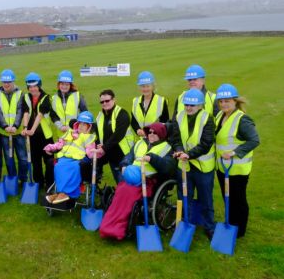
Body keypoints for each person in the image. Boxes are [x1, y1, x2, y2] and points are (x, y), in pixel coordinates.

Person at [100, 122, 176, 240]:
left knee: (129, 194)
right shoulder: (140, 143)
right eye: (149, 132)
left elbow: (168, 168)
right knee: (121, 191)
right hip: (132, 177)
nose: (151, 134)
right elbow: (128, 157)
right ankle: (108, 227)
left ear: (161, 134)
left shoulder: (167, 148)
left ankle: (118, 229)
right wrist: (124, 165)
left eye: (154, 132)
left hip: (149, 180)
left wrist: (152, 158)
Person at [215, 84, 259, 238]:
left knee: (238, 200)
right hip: (223, 168)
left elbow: (254, 140)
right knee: (228, 198)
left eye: (227, 101)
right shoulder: (221, 116)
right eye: (221, 101)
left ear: (235, 101)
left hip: (238, 169)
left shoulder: (242, 119)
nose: (223, 104)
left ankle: (239, 231)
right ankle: (230, 223)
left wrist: (234, 152)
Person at [172, 88, 216, 239]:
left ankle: (209, 227)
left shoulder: (207, 118)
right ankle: (187, 224)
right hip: (184, 166)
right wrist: (178, 150)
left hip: (203, 167)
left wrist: (188, 154)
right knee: (185, 197)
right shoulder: (179, 116)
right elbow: (175, 138)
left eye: (192, 105)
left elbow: (206, 143)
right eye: (186, 105)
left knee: (206, 199)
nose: (189, 108)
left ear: (200, 105)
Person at [43, 111, 100, 204]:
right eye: (80, 124)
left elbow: (90, 152)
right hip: (64, 157)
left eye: (84, 125)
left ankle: (65, 193)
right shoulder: (69, 133)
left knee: (74, 168)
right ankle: (60, 193)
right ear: (76, 124)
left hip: (77, 160)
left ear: (89, 127)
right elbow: (59, 144)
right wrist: (50, 147)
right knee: (58, 166)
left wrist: (97, 153)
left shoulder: (89, 137)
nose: (81, 126)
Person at [21, 72, 58, 189]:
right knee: (35, 162)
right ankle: (39, 184)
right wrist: (25, 128)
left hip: (45, 136)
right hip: (32, 137)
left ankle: (50, 183)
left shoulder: (47, 98)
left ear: (39, 85)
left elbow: (40, 115)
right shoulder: (26, 97)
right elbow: (26, 113)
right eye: (30, 86)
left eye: (35, 86)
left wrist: (32, 129)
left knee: (49, 161)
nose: (32, 89)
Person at [0, 69, 28, 182]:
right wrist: (5, 126)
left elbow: (20, 111)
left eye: (9, 82)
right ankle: (13, 180)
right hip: (4, 133)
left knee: (23, 158)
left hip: (18, 133)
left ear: (13, 81)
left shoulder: (20, 93)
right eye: (4, 82)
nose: (6, 84)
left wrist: (15, 126)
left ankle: (23, 179)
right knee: (9, 159)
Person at [95, 89, 134, 184]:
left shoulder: (122, 114)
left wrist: (104, 148)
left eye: (107, 101)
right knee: (119, 182)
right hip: (111, 154)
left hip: (124, 154)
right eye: (102, 102)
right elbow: (97, 133)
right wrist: (99, 144)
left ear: (114, 100)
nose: (104, 103)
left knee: (126, 182)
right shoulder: (100, 116)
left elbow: (118, 135)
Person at [51, 70, 88, 140]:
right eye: (62, 84)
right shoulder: (54, 98)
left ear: (70, 85)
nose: (64, 86)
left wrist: (76, 127)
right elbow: (53, 115)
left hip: (75, 134)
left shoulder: (78, 96)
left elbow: (85, 113)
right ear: (58, 84)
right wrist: (61, 127)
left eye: (67, 84)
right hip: (61, 135)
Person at [131, 71, 169, 139]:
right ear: (139, 87)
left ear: (153, 86)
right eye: (143, 86)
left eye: (148, 86)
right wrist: (137, 130)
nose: (145, 89)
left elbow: (165, 123)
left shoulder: (161, 101)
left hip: (156, 138)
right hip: (141, 140)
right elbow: (134, 121)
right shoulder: (135, 101)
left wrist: (148, 132)